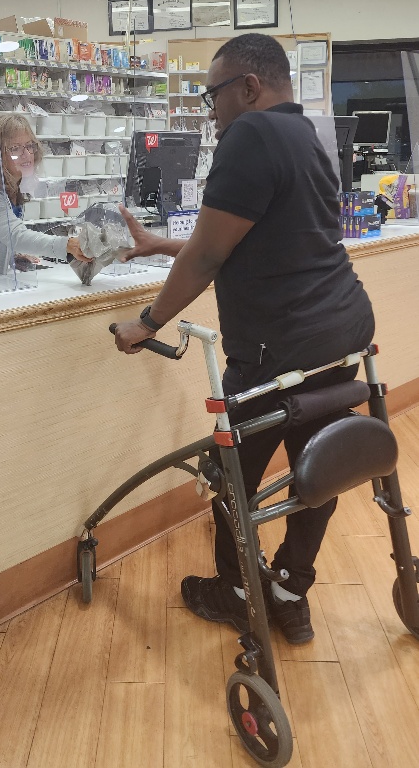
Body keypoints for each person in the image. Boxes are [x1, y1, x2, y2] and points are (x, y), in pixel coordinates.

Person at [114, 33, 374, 645]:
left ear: (248, 88)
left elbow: (210, 254)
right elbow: (255, 239)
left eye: (212, 96)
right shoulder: (302, 134)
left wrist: (146, 324)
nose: (210, 112)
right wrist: (158, 245)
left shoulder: (249, 136)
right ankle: (290, 584)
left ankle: (236, 593)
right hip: (340, 334)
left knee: (229, 475)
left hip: (276, 350)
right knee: (320, 468)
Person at [0, 113, 90, 278]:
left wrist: (10, 256)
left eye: (29, 146)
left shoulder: (12, 186)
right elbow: (14, 235)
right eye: (15, 149)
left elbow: (1, 236)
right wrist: (66, 245)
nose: (27, 154)